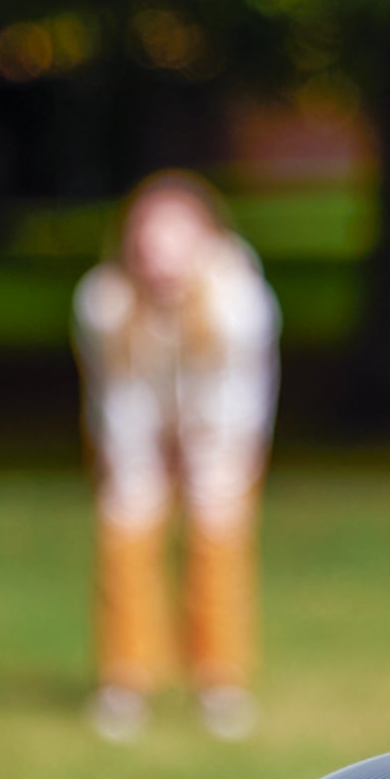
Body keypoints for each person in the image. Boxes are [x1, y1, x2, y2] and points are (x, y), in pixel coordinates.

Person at [73, 171, 280, 742]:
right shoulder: (104, 302)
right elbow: (117, 396)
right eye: (149, 238)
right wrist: (138, 464)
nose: (160, 254)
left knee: (218, 539)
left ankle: (220, 681)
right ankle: (126, 680)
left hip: (221, 432)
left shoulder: (239, 300)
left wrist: (206, 457)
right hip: (135, 430)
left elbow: (238, 396)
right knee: (126, 532)